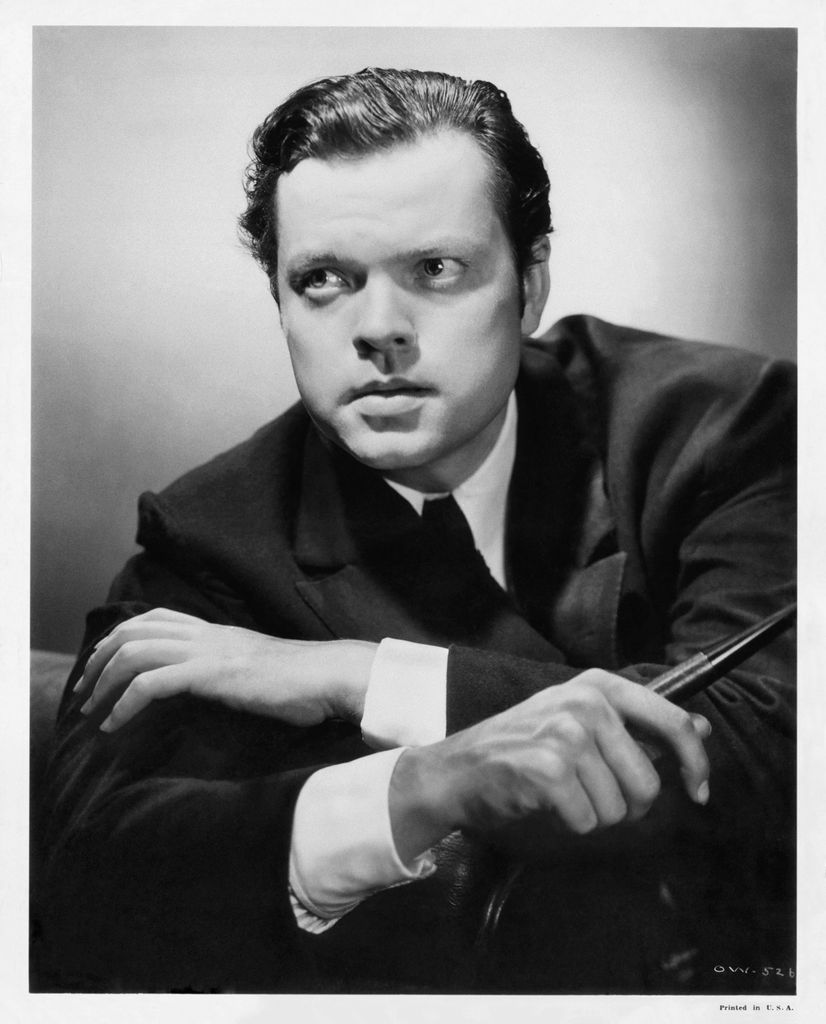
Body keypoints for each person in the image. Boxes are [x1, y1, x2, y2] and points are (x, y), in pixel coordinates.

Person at [34, 67, 795, 995]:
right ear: (278, 301)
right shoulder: (209, 535)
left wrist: (358, 674)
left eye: (435, 270)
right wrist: (421, 788)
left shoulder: (722, 422)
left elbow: (772, 738)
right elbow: (82, 871)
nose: (379, 329)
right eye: (323, 280)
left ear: (531, 282)